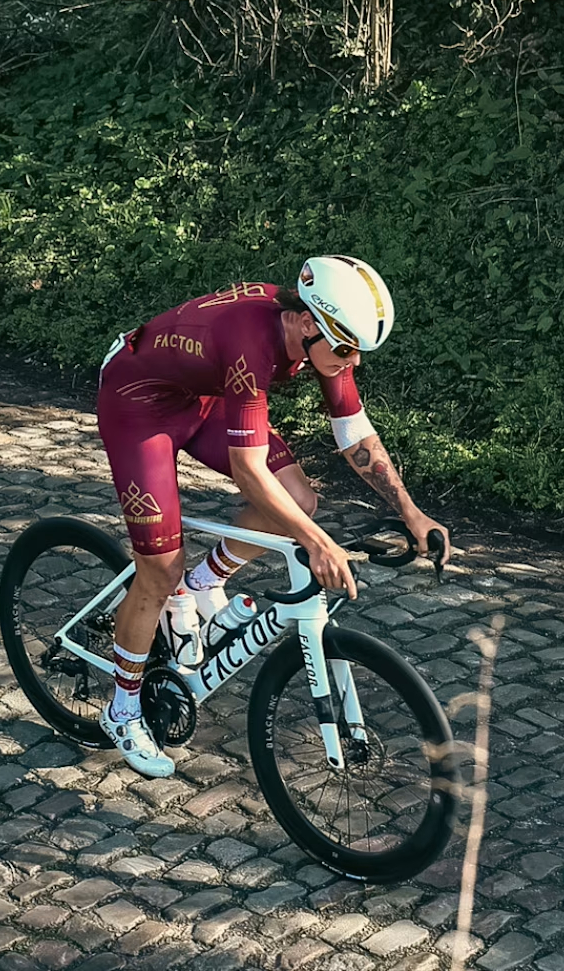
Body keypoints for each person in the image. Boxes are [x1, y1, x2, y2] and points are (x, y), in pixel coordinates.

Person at [93, 258, 452, 779]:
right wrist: (319, 544)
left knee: (298, 500)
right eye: (347, 349)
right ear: (308, 324)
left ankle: (200, 584)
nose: (351, 362)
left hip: (201, 398)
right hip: (138, 404)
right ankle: (122, 708)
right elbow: (248, 471)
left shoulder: (325, 338)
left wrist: (412, 513)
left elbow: (353, 432)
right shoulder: (252, 342)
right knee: (159, 571)